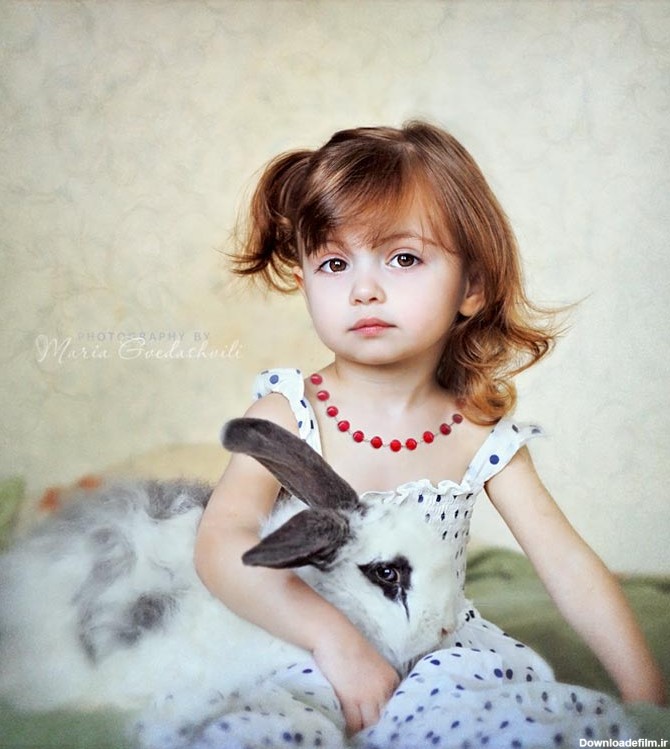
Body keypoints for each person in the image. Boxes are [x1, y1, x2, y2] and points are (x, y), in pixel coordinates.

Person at [194, 121, 665, 747]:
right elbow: (220, 545)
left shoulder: (478, 433)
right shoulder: (288, 415)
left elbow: (569, 568)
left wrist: (648, 702)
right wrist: (333, 640)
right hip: (302, 645)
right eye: (334, 262)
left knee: (508, 729)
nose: (364, 289)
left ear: (471, 286)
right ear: (304, 280)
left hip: (437, 660)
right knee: (249, 731)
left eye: (404, 258)